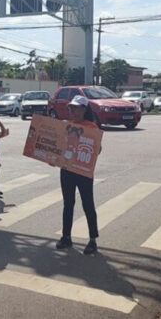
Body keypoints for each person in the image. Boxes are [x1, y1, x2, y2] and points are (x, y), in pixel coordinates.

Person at [56, 95, 101, 255]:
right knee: (68, 204)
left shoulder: (92, 128)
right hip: (67, 170)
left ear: (84, 109)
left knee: (88, 204)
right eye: (70, 108)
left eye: (75, 108)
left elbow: (97, 150)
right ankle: (66, 236)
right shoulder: (65, 125)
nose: (72, 111)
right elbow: (58, 146)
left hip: (83, 172)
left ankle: (92, 240)